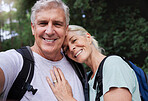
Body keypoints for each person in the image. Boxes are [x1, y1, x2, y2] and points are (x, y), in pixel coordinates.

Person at [0, 1, 88, 101]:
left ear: (66, 30)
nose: (49, 31)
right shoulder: (17, 62)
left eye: (57, 24)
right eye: (43, 23)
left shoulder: (77, 65)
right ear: (33, 28)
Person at [46, 25, 141, 101]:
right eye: (66, 48)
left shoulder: (113, 64)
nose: (71, 48)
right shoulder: (88, 79)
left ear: (88, 37)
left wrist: (67, 99)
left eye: (74, 40)